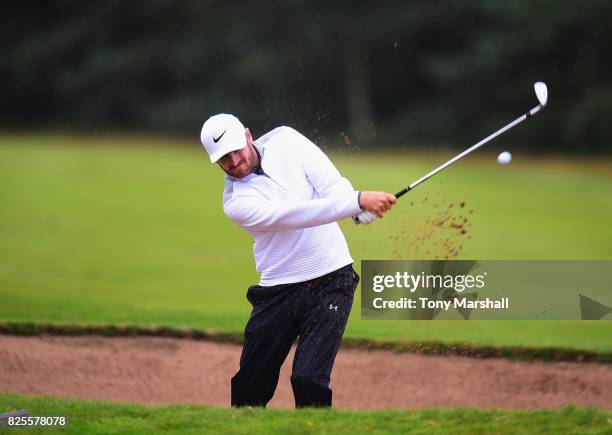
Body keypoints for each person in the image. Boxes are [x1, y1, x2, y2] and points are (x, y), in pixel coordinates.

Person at [200, 113, 396, 408]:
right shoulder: (236, 203)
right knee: (250, 382)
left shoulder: (287, 140)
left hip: (332, 279)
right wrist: (355, 202)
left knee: (308, 379)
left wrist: (355, 209)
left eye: (236, 150)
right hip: (278, 290)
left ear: (248, 136)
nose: (234, 162)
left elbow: (331, 184)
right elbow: (294, 215)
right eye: (223, 159)